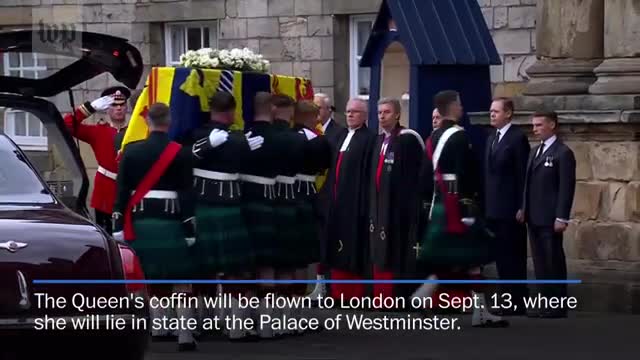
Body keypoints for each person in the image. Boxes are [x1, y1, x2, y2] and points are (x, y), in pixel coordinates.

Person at [413, 90, 508, 327]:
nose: (462, 108)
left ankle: (474, 309)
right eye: (460, 104)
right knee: (472, 257)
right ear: (452, 106)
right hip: (458, 206)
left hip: (440, 203)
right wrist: (466, 209)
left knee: (467, 260)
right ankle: (427, 294)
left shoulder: (434, 137)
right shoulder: (458, 136)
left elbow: (426, 175)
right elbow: (463, 174)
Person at [111, 103, 199, 351]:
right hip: (172, 223)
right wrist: (190, 228)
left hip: (140, 223)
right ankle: (184, 334)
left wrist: (118, 224)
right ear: (169, 121)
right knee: (181, 279)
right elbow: (186, 193)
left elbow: (121, 192)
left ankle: (159, 326)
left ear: (147, 121)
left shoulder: (131, 151)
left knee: (148, 277)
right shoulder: (180, 153)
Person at [184, 91, 264, 340]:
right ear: (232, 111)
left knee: (203, 269)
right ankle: (237, 328)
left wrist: (204, 146)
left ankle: (202, 322)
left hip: (203, 207)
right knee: (236, 270)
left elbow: (183, 160)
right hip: (230, 209)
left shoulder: (196, 135)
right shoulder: (237, 139)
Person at [368, 97, 424, 302]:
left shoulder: (407, 139)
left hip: (400, 208)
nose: (382, 116)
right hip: (379, 206)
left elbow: (414, 177)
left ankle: (398, 296)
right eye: (379, 112)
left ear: (398, 114)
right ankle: (380, 295)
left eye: (387, 112)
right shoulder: (379, 141)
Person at [520, 110, 576, 318]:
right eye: (533, 125)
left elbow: (565, 188)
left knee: (553, 261)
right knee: (540, 262)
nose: (535, 129)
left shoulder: (563, 153)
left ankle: (558, 304)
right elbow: (528, 184)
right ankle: (545, 303)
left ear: (552, 125)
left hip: (551, 217)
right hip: (534, 216)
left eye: (539, 125)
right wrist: (524, 208)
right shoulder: (534, 152)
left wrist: (562, 216)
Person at [323, 98, 375, 300]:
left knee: (352, 247)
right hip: (336, 201)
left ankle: (354, 294)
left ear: (364, 115)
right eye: (348, 111)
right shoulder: (341, 135)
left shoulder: (369, 138)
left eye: (355, 112)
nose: (350, 115)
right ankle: (336, 292)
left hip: (355, 203)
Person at [240, 92, 281, 339]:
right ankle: (266, 326)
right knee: (267, 267)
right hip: (269, 204)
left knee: (245, 267)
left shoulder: (243, 137)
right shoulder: (281, 137)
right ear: (272, 108)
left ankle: (244, 324)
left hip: (245, 204)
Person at [484, 97, 530, 315]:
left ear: (508, 113)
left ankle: (517, 301)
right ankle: (505, 299)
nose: (492, 114)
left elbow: (523, 176)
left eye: (496, 111)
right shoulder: (491, 137)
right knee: (501, 257)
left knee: (513, 256)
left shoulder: (517, 138)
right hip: (493, 208)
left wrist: (523, 206)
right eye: (491, 111)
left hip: (511, 208)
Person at [63, 86, 131, 234]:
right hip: (105, 191)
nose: (118, 108)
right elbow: (66, 125)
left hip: (129, 190)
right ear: (106, 109)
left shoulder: (135, 131)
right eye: (113, 105)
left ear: (127, 107)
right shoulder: (98, 131)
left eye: (122, 104)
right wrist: (90, 107)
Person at [269, 94, 307, 336]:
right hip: (294, 202)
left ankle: (272, 321)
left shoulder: (265, 138)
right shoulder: (300, 139)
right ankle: (290, 318)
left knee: (273, 265)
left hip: (270, 202)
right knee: (291, 263)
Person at [292, 100, 332, 303]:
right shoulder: (317, 141)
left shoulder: (288, 137)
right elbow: (325, 166)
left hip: (283, 194)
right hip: (307, 192)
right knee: (301, 257)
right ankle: (294, 314)